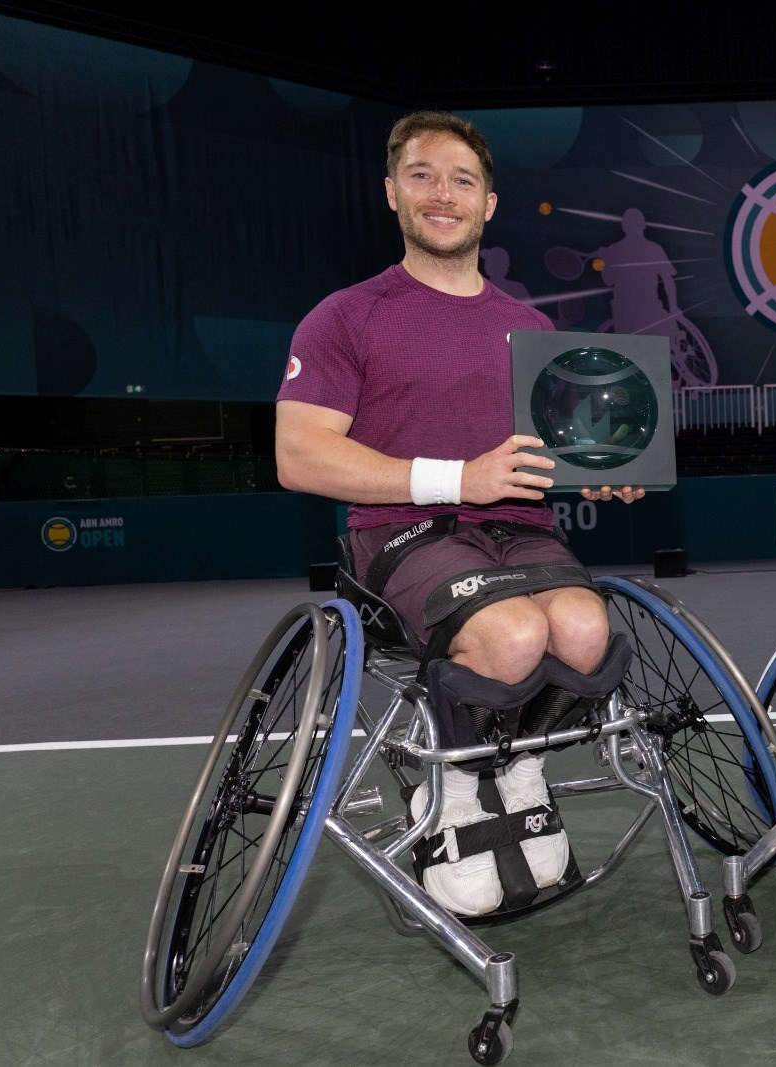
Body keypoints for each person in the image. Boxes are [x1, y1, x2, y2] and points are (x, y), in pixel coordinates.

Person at [275, 110, 643, 918]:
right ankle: (456, 783)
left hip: (519, 530)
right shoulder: (343, 316)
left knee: (584, 633)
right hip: (402, 533)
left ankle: (514, 771)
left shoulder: (531, 328)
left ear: (488, 205)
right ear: (391, 193)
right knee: (512, 635)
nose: (442, 193)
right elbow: (299, 456)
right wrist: (458, 479)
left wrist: (597, 475)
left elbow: (542, 459)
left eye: (461, 181)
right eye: (422, 175)